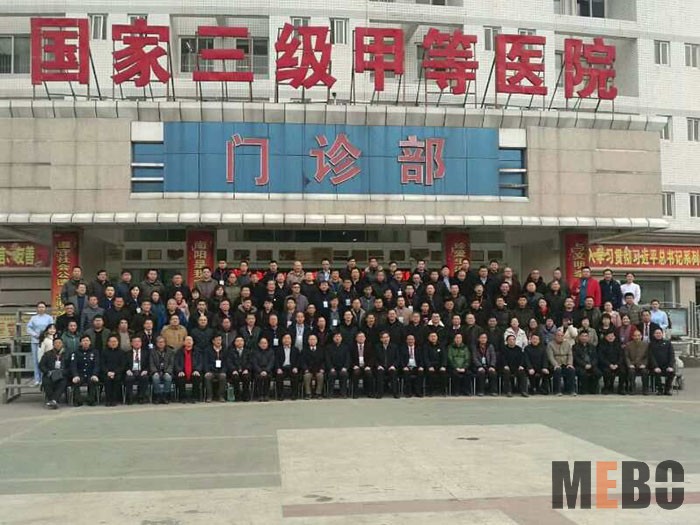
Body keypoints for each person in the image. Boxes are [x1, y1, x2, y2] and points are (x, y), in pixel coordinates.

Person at [26, 301, 54, 386]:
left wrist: (46, 335)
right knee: (36, 360)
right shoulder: (33, 318)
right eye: (39, 307)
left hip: (46, 341)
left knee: (45, 360)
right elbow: (28, 328)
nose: (41, 308)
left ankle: (44, 379)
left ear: (45, 308)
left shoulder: (49, 318)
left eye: (43, 307)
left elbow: (52, 328)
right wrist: (35, 334)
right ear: (37, 308)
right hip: (35, 341)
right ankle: (37, 379)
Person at [70, 335, 100, 406]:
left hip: (91, 374)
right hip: (80, 374)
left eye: (87, 340)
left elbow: (97, 365)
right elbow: (73, 365)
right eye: (83, 341)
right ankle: (78, 401)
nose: (85, 342)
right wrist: (75, 375)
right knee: (76, 382)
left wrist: (95, 374)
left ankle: (91, 400)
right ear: (80, 343)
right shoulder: (75, 353)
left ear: (90, 342)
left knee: (92, 381)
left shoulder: (95, 352)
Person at [39, 338, 67, 409]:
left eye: (59, 343)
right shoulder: (47, 354)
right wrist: (48, 371)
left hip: (61, 374)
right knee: (46, 382)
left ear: (62, 344)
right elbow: (41, 365)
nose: (58, 344)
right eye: (56, 343)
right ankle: (53, 400)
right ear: (53, 344)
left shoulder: (66, 354)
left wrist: (62, 372)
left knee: (63, 382)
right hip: (50, 373)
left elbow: (69, 366)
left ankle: (53, 400)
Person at [174, 336, 203, 403]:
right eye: (187, 340)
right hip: (182, 371)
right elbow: (176, 363)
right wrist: (179, 371)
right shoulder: (179, 352)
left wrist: (197, 370)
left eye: (190, 340)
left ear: (193, 342)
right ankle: (182, 397)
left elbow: (200, 362)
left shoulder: (198, 351)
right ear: (184, 342)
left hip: (194, 371)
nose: (189, 341)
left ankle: (194, 397)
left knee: (196, 377)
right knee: (180, 377)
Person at [546, 329, 576, 396]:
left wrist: (569, 364)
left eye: (562, 335)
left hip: (565, 363)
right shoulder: (550, 344)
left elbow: (570, 355)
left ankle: (571, 391)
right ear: (555, 336)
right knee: (557, 370)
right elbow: (550, 357)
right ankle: (557, 391)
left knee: (571, 370)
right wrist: (555, 365)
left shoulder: (567, 344)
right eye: (558, 335)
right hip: (554, 364)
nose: (560, 337)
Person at [124, 334, 151, 404]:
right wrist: (127, 370)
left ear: (141, 343)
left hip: (142, 371)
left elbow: (149, 364)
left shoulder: (146, 353)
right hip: (131, 371)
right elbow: (124, 364)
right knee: (129, 378)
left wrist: (146, 370)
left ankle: (141, 397)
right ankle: (130, 397)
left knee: (145, 377)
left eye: (138, 341)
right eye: (135, 341)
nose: (137, 343)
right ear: (131, 343)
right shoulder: (127, 353)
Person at [274, 333, 301, 401]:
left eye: (288, 338)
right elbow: (276, 360)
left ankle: (294, 394)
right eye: (285, 338)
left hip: (292, 368)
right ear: (282, 340)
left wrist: (296, 367)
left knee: (295, 376)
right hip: (282, 368)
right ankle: (280, 395)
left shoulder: (295, 349)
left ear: (291, 340)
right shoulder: (278, 350)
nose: (287, 340)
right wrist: (278, 368)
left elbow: (298, 360)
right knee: (279, 376)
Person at [649, 328, 675, 396]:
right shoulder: (651, 344)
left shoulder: (668, 343)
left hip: (666, 365)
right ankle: (660, 390)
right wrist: (655, 366)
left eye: (659, 333)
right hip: (655, 366)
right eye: (656, 333)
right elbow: (651, 357)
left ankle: (667, 389)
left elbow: (671, 355)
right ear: (654, 335)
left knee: (671, 372)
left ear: (662, 334)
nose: (658, 334)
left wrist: (670, 366)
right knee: (656, 372)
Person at [597, 331, 624, 395]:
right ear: (606, 337)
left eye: (612, 336)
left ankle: (620, 388)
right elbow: (601, 357)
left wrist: (617, 364)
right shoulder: (602, 345)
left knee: (623, 371)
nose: (611, 337)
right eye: (609, 336)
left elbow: (621, 356)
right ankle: (607, 387)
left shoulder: (618, 345)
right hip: (606, 365)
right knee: (606, 371)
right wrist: (609, 365)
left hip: (617, 364)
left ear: (614, 337)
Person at [149, 336, 174, 404]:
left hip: (166, 371)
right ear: (156, 343)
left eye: (162, 342)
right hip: (156, 371)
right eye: (159, 342)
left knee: (168, 377)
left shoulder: (170, 351)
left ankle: (165, 396)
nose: (160, 343)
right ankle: (158, 396)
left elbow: (171, 364)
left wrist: (168, 372)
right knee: (155, 377)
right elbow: (151, 363)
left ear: (165, 343)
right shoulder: (152, 351)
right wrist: (155, 371)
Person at [350, 331, 375, 398]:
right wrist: (354, 365)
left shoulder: (369, 346)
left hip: (366, 366)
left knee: (369, 373)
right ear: (356, 338)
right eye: (359, 337)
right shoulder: (352, 347)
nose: (361, 338)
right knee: (356, 373)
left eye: (362, 337)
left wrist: (369, 366)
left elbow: (372, 357)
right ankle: (355, 393)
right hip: (356, 366)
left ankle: (369, 392)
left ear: (365, 338)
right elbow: (349, 358)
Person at [375, 331, 400, 399]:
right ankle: (380, 393)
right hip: (381, 367)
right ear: (381, 339)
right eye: (384, 337)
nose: (386, 339)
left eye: (387, 337)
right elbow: (375, 359)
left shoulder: (394, 347)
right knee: (379, 373)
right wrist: (378, 366)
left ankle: (395, 393)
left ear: (389, 338)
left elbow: (397, 358)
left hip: (391, 367)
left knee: (393, 373)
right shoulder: (377, 347)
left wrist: (393, 366)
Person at [472, 332, 498, 396]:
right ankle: (481, 391)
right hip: (478, 366)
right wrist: (479, 366)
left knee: (493, 373)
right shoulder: (475, 347)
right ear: (479, 339)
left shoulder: (490, 346)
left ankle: (493, 391)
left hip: (488, 365)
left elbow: (493, 357)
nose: (483, 339)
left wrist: (492, 366)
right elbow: (474, 358)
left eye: (485, 338)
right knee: (481, 372)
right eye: (482, 338)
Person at [227, 336, 252, 402]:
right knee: (235, 377)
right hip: (234, 371)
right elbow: (229, 362)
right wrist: (233, 370)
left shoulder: (248, 351)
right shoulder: (231, 352)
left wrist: (246, 369)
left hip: (245, 370)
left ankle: (245, 395)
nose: (240, 342)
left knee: (246, 377)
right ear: (235, 343)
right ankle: (237, 396)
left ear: (244, 342)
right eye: (237, 341)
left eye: (241, 341)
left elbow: (250, 362)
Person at [625, 330, 650, 395]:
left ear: (641, 336)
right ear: (632, 337)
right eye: (635, 336)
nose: (637, 337)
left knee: (645, 372)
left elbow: (647, 356)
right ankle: (632, 389)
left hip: (642, 364)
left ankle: (645, 389)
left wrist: (644, 364)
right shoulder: (628, 344)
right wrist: (629, 364)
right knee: (631, 371)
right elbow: (626, 356)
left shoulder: (646, 344)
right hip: (632, 364)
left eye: (639, 335)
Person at [204, 334, 228, 402]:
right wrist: (207, 371)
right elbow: (205, 362)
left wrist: (223, 371)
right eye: (217, 340)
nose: (218, 341)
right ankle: (209, 396)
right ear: (213, 341)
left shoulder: (225, 350)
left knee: (223, 376)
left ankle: (221, 396)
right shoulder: (208, 350)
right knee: (208, 376)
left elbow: (226, 362)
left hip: (221, 371)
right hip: (211, 370)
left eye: (220, 340)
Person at [326, 332, 350, 398]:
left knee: (344, 374)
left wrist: (345, 367)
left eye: (339, 336)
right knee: (332, 374)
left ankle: (343, 393)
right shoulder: (328, 347)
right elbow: (327, 359)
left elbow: (348, 359)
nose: (337, 338)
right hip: (332, 368)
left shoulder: (345, 347)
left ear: (341, 338)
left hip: (342, 368)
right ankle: (330, 393)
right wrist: (331, 368)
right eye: (336, 337)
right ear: (333, 338)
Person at [301, 334, 325, 399]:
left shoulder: (321, 349)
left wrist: (322, 368)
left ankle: (318, 393)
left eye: (314, 339)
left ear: (316, 341)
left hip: (318, 369)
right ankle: (308, 394)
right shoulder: (304, 350)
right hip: (308, 370)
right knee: (307, 376)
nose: (312, 341)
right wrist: (305, 369)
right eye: (311, 339)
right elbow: (302, 361)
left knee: (320, 376)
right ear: (308, 341)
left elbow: (323, 361)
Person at [424, 331, 448, 396]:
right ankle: (430, 391)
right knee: (430, 374)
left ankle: (442, 391)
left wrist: (443, 366)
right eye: (431, 336)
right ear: (428, 338)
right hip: (430, 366)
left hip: (439, 365)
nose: (433, 338)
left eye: (434, 336)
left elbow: (444, 357)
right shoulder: (426, 346)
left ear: (437, 337)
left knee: (443, 373)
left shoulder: (441, 345)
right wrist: (429, 366)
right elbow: (425, 357)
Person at [252, 337, 275, 402]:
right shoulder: (255, 352)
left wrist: (266, 370)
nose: (263, 345)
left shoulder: (271, 352)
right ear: (259, 344)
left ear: (267, 344)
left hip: (268, 370)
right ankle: (260, 395)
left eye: (265, 343)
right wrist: (260, 371)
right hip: (258, 370)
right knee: (259, 377)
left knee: (267, 377)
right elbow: (254, 363)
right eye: (262, 343)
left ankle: (266, 394)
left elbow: (271, 362)